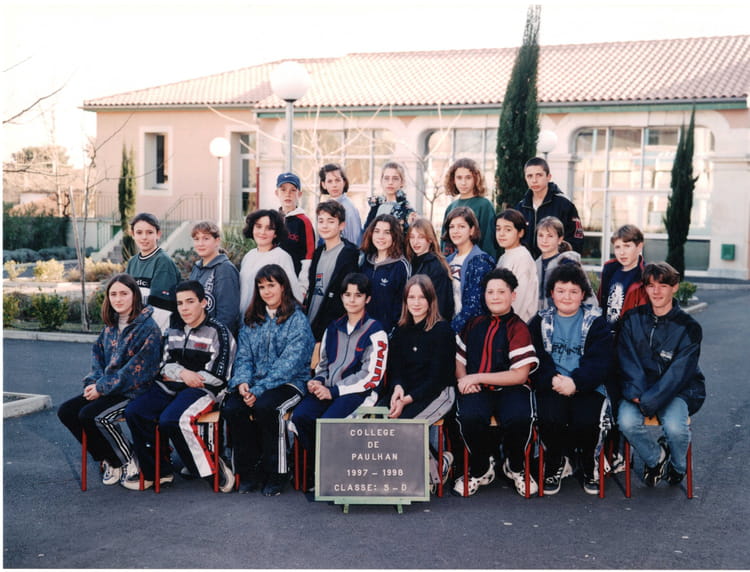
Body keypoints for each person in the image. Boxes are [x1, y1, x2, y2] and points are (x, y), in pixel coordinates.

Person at [123, 280, 237, 492]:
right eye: (180, 303)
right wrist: (183, 373)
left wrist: (181, 375)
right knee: (135, 411)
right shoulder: (173, 328)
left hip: (204, 389)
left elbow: (219, 376)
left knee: (172, 419)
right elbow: (163, 364)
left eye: (190, 302)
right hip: (173, 386)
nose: (184, 308)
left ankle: (212, 469)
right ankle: (159, 471)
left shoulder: (219, 332)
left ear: (203, 302)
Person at [58, 273, 162, 486]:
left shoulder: (148, 328)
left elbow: (136, 372)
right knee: (67, 411)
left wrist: (102, 388)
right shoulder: (110, 327)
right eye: (113, 294)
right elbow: (97, 359)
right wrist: (92, 384)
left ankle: (128, 459)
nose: (118, 299)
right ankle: (110, 459)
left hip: (135, 391)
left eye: (124, 293)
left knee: (93, 416)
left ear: (135, 295)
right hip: (108, 388)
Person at [222, 264, 315, 496]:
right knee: (233, 407)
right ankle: (249, 471)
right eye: (261, 287)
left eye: (271, 285)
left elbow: (289, 364)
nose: (266, 291)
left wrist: (259, 389)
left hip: (290, 382)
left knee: (267, 407)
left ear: (283, 286)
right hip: (254, 383)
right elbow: (243, 357)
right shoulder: (252, 319)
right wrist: (243, 383)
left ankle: (278, 472)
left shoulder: (297, 319)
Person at [291, 273, 388, 488]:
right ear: (342, 297)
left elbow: (371, 376)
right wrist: (318, 381)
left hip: (359, 393)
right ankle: (320, 468)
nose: (352, 300)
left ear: (367, 299)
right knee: (301, 416)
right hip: (329, 389)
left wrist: (334, 391)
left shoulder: (376, 331)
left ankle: (331, 475)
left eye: (358, 295)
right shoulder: (333, 328)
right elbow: (324, 364)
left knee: (329, 424)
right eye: (347, 294)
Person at [452, 268, 540, 497]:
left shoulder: (518, 327)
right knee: (468, 416)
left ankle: (516, 466)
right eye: (490, 292)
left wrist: (476, 377)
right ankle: (481, 467)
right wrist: (464, 380)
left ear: (513, 295)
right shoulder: (474, 323)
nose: (495, 296)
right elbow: (459, 359)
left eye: (501, 292)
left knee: (519, 417)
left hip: (511, 388)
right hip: (478, 389)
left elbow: (520, 375)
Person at [617, 262, 705, 487]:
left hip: (677, 389)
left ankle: (678, 467)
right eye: (651, 286)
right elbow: (627, 360)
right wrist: (637, 393)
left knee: (675, 428)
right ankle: (657, 459)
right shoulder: (631, 319)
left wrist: (649, 400)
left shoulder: (689, 327)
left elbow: (678, 373)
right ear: (645, 288)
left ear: (674, 287)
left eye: (663, 286)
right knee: (626, 422)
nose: (656, 292)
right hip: (638, 388)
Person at [528, 263, 614, 495]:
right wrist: (552, 379)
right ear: (552, 293)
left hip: (586, 385)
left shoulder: (596, 322)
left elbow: (600, 361)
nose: (567, 296)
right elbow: (535, 357)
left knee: (586, 421)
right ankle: (555, 461)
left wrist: (576, 383)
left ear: (583, 294)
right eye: (561, 290)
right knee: (551, 417)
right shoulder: (540, 321)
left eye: (573, 291)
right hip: (553, 384)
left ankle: (588, 462)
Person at [383, 275, 456, 491]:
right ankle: (433, 463)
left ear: (431, 300)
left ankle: (434, 471)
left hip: (439, 392)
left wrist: (406, 401)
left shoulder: (442, 330)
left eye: (422, 297)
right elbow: (396, 368)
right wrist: (397, 389)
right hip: (408, 390)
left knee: (405, 426)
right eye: (411, 297)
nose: (416, 302)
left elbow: (437, 379)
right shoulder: (401, 330)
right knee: (379, 420)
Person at [304, 201, 360, 342]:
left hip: (331, 329)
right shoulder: (318, 253)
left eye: (330, 221)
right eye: (321, 221)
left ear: (341, 225)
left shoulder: (348, 254)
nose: (324, 226)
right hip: (310, 323)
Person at [515, 157, 584, 258]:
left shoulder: (564, 205)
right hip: (526, 264)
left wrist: (562, 261)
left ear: (548, 177)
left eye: (539, 175)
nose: (534, 180)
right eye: (529, 176)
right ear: (525, 178)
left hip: (557, 264)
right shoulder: (521, 207)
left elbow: (576, 238)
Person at [238, 209, 302, 316]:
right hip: (244, 319)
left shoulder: (281, 257)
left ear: (276, 233)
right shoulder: (249, 256)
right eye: (258, 226)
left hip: (267, 320)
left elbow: (293, 293)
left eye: (269, 228)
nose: (262, 232)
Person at [442, 206, 495, 334]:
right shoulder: (447, 261)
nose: (455, 231)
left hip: (471, 331)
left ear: (472, 230)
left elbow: (474, 305)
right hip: (449, 325)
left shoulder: (481, 261)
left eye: (461, 226)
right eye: (452, 227)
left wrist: (450, 332)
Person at [125, 212, 182, 331]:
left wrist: (144, 333)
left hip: (156, 332)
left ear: (158, 234)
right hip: (136, 329)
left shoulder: (163, 262)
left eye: (149, 232)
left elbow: (161, 310)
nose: (144, 237)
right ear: (133, 234)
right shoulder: (132, 262)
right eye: (139, 232)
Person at [359, 213, 411, 336]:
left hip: (386, 334)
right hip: (362, 331)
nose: (381, 237)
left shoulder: (401, 266)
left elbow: (403, 306)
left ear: (395, 236)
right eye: (377, 231)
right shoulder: (364, 261)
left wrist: (392, 332)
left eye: (387, 232)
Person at [188, 220, 241, 336]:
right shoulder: (196, 268)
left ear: (217, 241)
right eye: (196, 239)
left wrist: (215, 339)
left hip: (215, 339)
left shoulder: (225, 269)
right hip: (196, 336)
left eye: (206, 239)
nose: (200, 243)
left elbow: (228, 314)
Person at [441, 158, 497, 258]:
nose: (463, 182)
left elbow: (489, 241)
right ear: (453, 180)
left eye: (468, 177)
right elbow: (444, 242)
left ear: (476, 179)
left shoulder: (484, 205)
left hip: (476, 261)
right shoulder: (451, 207)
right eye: (459, 178)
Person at [598, 224, 648, 331]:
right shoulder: (609, 270)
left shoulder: (645, 276)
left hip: (629, 336)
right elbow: (600, 303)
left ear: (639, 247)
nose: (622, 252)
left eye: (627, 246)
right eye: (617, 247)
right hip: (606, 334)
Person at [534, 216, 589, 311]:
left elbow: (588, 298)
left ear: (560, 239)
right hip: (540, 318)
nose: (544, 240)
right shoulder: (534, 265)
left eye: (550, 236)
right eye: (541, 235)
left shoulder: (569, 264)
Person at [405, 217, 454, 321]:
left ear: (430, 239)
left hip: (430, 324)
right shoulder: (410, 262)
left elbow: (441, 305)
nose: (415, 242)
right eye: (412, 237)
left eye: (421, 237)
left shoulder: (437, 266)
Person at [495, 209, 539, 323]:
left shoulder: (522, 258)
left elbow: (520, 298)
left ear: (520, 233)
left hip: (518, 323)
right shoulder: (503, 257)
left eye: (508, 229)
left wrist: (507, 325)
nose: (501, 233)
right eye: (498, 229)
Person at [276, 172, 315, 296]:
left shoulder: (304, 221)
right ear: (276, 193)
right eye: (283, 190)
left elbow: (309, 256)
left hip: (294, 285)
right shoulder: (273, 220)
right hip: (273, 282)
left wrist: (303, 286)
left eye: (293, 190)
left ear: (299, 194)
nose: (288, 194)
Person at [363, 161, 416, 232]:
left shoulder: (407, 210)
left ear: (402, 182)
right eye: (386, 178)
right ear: (381, 181)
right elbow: (366, 232)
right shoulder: (376, 205)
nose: (390, 182)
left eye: (395, 178)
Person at [319, 163, 362, 246]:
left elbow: (354, 241)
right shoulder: (325, 206)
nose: (334, 185)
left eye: (337, 180)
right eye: (330, 181)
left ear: (344, 182)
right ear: (324, 184)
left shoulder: (348, 208)